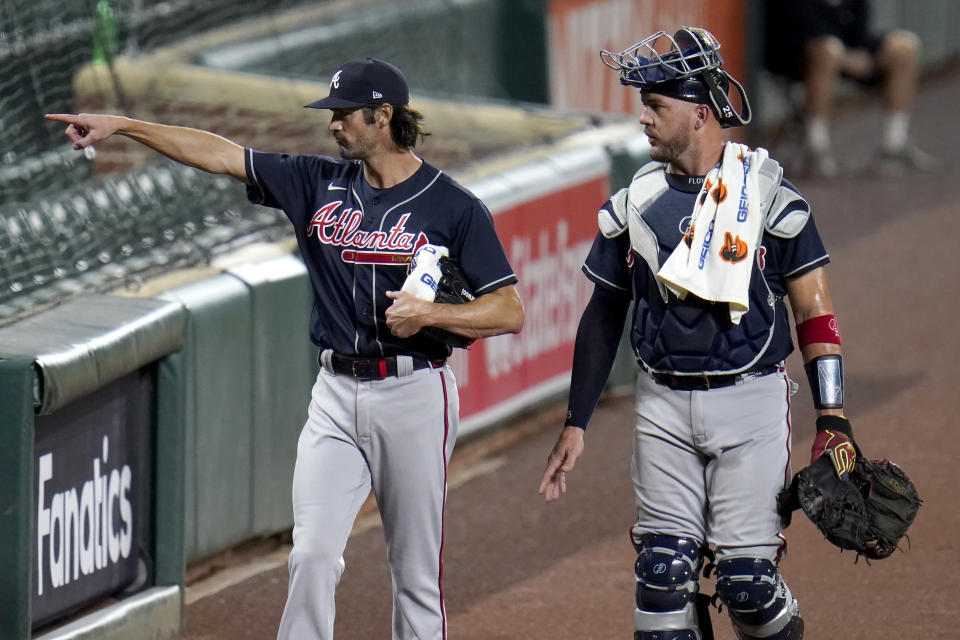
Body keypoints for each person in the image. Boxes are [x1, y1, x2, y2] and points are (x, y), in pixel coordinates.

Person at [48, 57, 524, 640]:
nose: (333, 125)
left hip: (414, 393)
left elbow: (509, 310)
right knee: (312, 554)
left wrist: (433, 313)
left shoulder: (453, 207)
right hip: (333, 395)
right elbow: (220, 154)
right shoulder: (314, 181)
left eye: (345, 115)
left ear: (383, 116)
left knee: (416, 573)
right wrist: (124, 126)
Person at [539, 27, 857, 640]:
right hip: (662, 405)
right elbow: (603, 315)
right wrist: (576, 420)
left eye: (656, 106)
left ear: (699, 114)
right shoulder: (635, 203)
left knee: (748, 585)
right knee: (661, 579)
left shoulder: (768, 196)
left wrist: (833, 416)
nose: (643, 119)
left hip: (751, 403)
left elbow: (816, 314)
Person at [764, 0, 936, 177]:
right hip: (795, 55)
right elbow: (796, 28)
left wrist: (859, 54)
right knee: (826, 50)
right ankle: (816, 149)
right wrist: (845, 57)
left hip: (845, 46)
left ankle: (894, 144)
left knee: (904, 46)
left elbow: (860, 31)